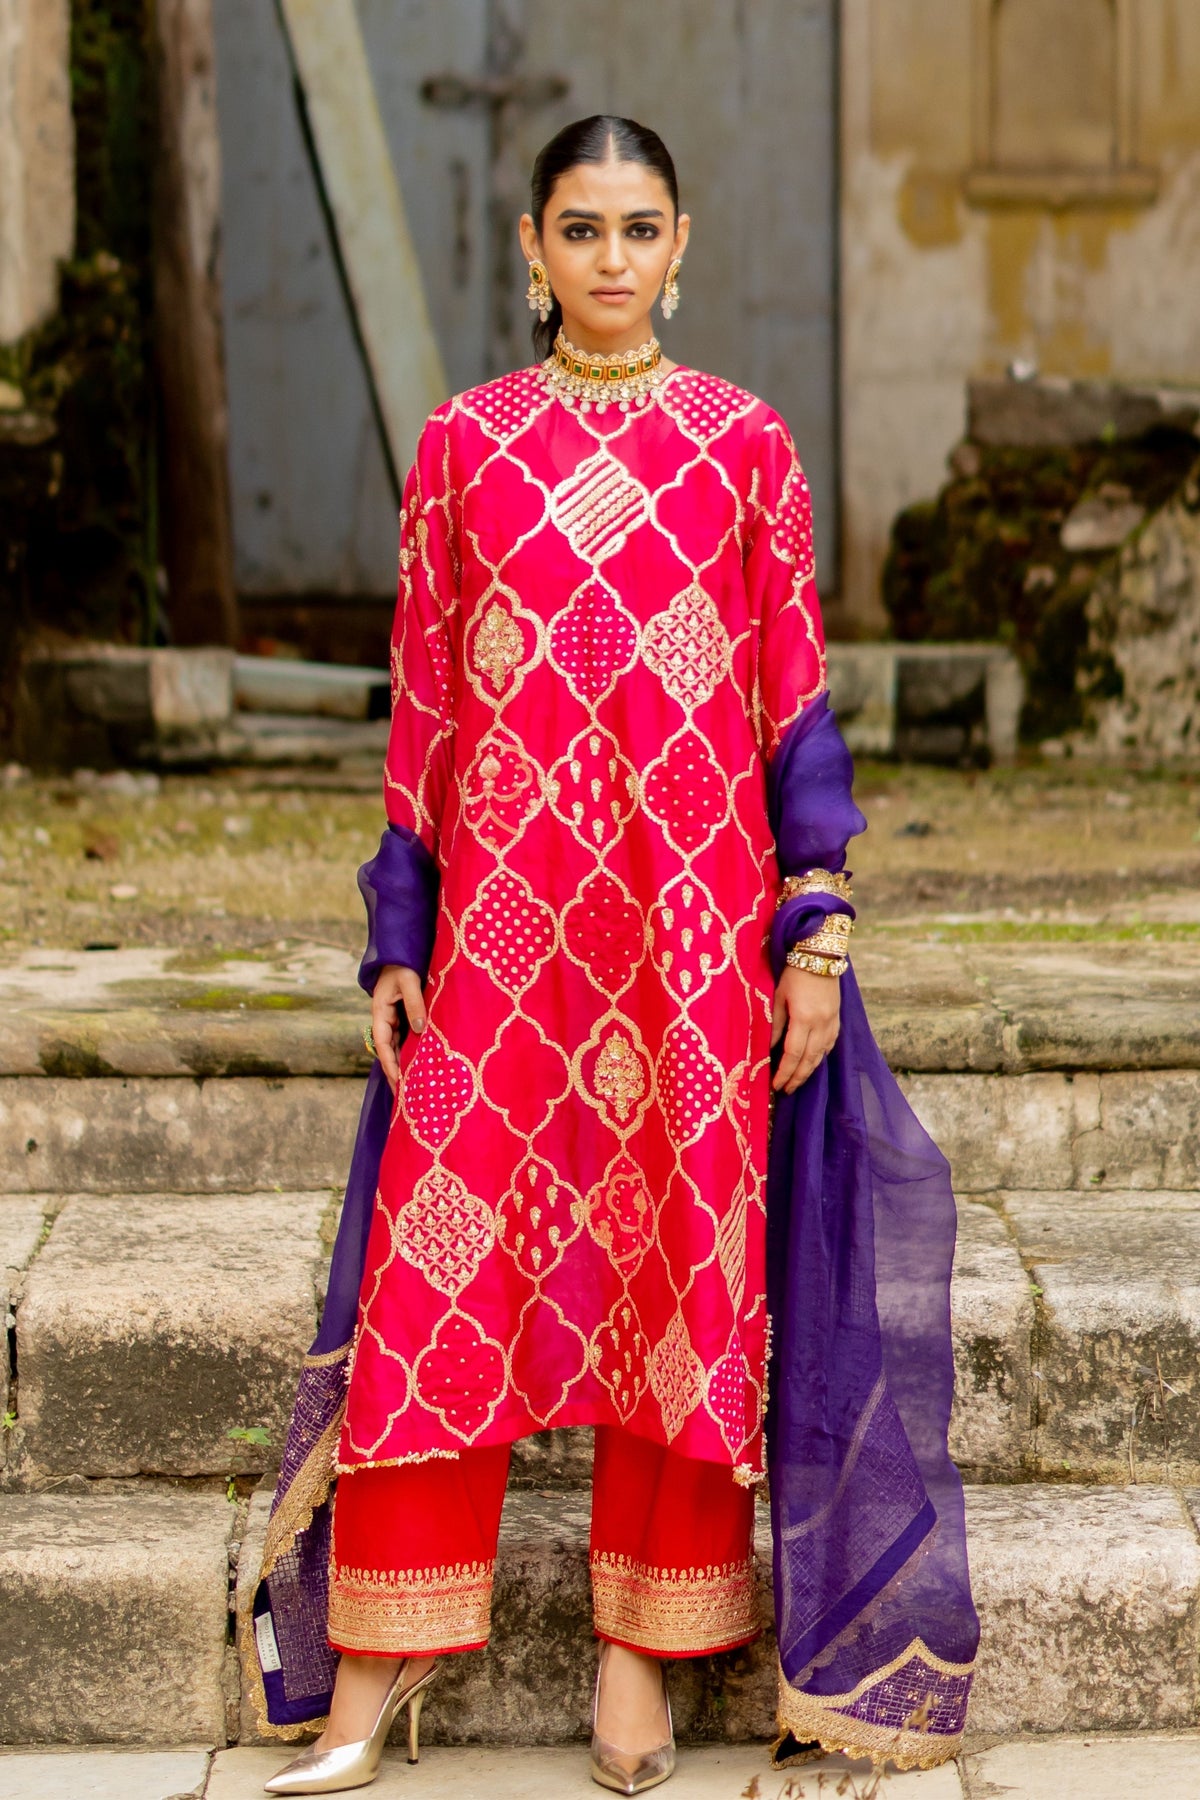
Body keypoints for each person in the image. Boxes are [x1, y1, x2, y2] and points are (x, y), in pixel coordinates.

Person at [252, 115, 978, 1798]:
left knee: (676, 1272)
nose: (610, 259)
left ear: (684, 242)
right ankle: (375, 1668)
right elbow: (425, 710)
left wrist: (817, 926)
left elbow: (794, 702)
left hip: (683, 932)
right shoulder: (464, 446)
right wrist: (397, 928)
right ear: (530, 245)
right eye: (580, 228)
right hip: (508, 944)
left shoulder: (743, 448)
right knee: (442, 1268)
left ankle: (640, 1667)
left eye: (639, 228)